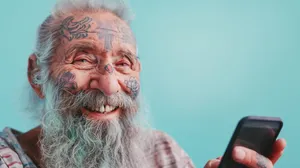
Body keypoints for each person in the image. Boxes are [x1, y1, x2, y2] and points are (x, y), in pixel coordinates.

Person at [0, 0, 286, 168]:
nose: (110, 85)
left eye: (124, 63)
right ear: (37, 74)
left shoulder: (162, 152)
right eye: (83, 59)